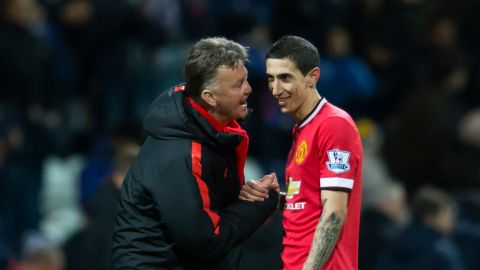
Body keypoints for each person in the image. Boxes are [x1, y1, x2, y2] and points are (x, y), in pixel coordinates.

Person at [111, 37, 279, 269]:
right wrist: (258, 205)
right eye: (238, 84)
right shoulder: (182, 156)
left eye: (246, 80)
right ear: (210, 97)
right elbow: (206, 241)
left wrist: (246, 196)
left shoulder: (209, 131)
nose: (248, 89)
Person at [240, 35, 363, 270]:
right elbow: (309, 203)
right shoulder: (302, 129)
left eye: (285, 78)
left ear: (312, 77)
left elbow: (335, 211)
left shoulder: (334, 125)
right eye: (270, 79)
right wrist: (274, 200)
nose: (275, 89)